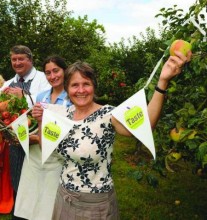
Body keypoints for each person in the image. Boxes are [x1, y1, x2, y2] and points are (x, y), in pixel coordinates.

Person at [32, 50, 191, 220]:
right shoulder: (64, 114)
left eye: (86, 84)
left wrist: (162, 82)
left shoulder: (108, 115)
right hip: (64, 197)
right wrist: (42, 122)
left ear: (94, 86)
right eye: (74, 85)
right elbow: (46, 147)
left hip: (95, 205)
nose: (81, 90)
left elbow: (147, 123)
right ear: (67, 88)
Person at [14, 55, 72, 220]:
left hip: (57, 157)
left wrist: (37, 139)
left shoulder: (72, 98)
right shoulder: (42, 96)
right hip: (35, 155)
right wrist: (24, 133)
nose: (52, 76)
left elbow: (71, 133)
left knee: (49, 198)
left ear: (64, 70)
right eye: (48, 73)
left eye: (56, 71)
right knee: (31, 193)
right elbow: (34, 123)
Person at [0, 45, 51, 219]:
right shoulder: (7, 84)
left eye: (21, 59)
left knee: (38, 182)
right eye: (14, 59)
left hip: (37, 141)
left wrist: (25, 95)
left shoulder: (44, 79)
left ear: (30, 59)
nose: (17, 62)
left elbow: (49, 103)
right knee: (17, 179)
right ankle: (19, 214)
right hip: (16, 142)